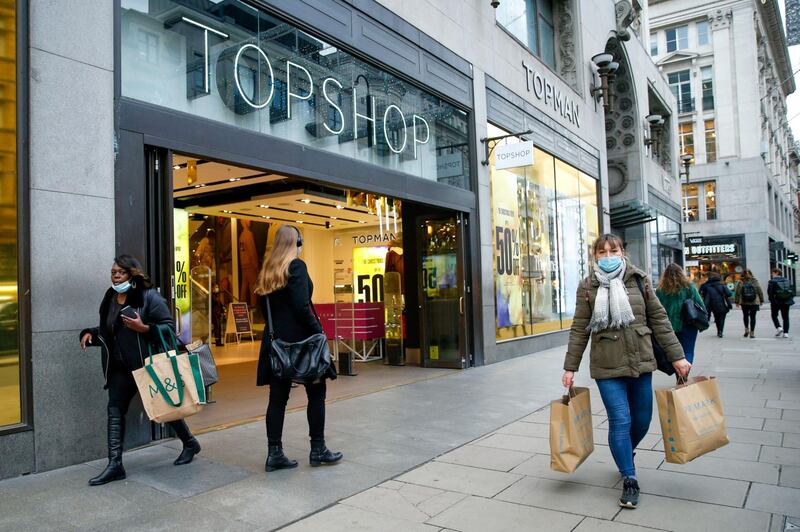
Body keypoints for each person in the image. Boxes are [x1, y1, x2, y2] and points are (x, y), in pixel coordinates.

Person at [563, 234, 689, 510]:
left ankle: (624, 453)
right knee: (620, 420)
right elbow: (578, 329)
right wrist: (570, 367)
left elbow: (659, 320)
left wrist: (677, 356)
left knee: (642, 420)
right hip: (606, 365)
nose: (608, 255)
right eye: (602, 251)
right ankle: (629, 477)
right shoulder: (588, 286)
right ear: (595, 256)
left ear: (623, 251)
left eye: (613, 250)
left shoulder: (639, 280)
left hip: (640, 361)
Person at [79, 255, 201, 486]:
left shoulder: (148, 296)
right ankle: (115, 465)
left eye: (120, 272)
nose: (115, 276)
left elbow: (168, 328)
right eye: (113, 272)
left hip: (146, 365)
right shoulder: (111, 297)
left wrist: (143, 328)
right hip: (119, 368)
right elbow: (110, 329)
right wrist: (91, 334)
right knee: (114, 410)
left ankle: (189, 442)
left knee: (163, 406)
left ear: (132, 274)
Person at [254, 225, 341, 472]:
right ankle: (318, 449)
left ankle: (275, 453)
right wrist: (319, 332)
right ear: (296, 242)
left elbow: (265, 310)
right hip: (302, 344)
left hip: (276, 345)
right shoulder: (296, 267)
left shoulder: (268, 271)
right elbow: (302, 307)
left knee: (277, 399)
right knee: (316, 394)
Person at [656, 263, 706, 365]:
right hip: (688, 324)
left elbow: (656, 309)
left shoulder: (660, 290)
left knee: (675, 354)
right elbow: (700, 304)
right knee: (688, 351)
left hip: (669, 326)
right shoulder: (689, 287)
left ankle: (680, 376)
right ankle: (683, 377)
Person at [700, 273, 733, 337]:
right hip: (723, 305)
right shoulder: (723, 286)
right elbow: (729, 294)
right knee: (722, 319)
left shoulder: (709, 288)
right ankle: (720, 331)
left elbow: (707, 299)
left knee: (717, 318)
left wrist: (705, 308)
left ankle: (718, 330)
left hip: (714, 306)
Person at [734, 269, 764, 338]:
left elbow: (738, 292)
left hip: (744, 302)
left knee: (745, 316)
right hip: (754, 302)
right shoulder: (754, 281)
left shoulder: (741, 281)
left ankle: (746, 330)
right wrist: (761, 300)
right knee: (753, 317)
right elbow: (759, 290)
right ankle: (752, 333)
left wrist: (737, 301)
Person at [767, 268, 795, 338]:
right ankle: (786, 333)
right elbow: (791, 291)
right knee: (785, 317)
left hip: (775, 302)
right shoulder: (787, 280)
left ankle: (779, 327)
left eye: (772, 273)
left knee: (774, 315)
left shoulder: (772, 281)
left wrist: (771, 300)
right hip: (786, 301)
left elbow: (769, 292)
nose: (772, 274)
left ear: (776, 273)